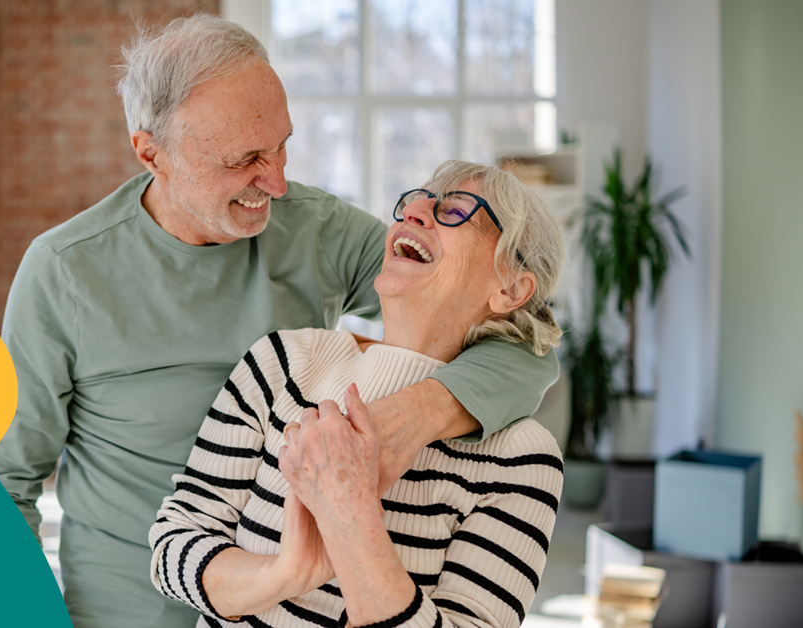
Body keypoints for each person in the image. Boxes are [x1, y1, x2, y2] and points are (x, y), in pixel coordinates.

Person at [0, 15, 558, 628]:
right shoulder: (65, 271)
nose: (277, 181)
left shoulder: (315, 229)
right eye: (246, 159)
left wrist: (412, 415)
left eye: (283, 143)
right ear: (153, 154)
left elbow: (517, 340)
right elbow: (5, 484)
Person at [150, 160, 565, 628]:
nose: (414, 213)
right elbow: (174, 544)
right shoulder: (286, 362)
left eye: (454, 211)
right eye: (412, 202)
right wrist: (285, 573)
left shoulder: (521, 458)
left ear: (511, 288)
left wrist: (351, 518)